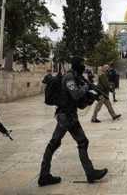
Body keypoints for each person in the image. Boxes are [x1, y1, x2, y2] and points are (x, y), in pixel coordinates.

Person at [38, 56, 108, 187]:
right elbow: (76, 94)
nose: (83, 66)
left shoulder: (76, 76)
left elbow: (82, 96)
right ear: (76, 65)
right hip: (66, 116)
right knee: (73, 142)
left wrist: (94, 94)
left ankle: (44, 175)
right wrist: (86, 88)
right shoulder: (69, 77)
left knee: (59, 143)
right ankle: (89, 173)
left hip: (68, 115)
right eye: (82, 64)